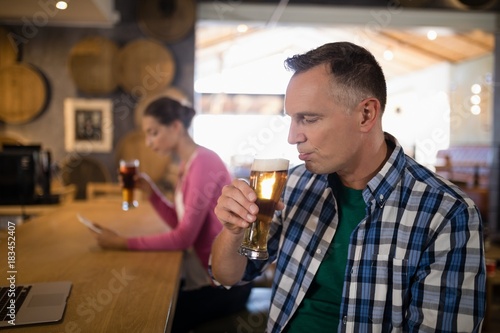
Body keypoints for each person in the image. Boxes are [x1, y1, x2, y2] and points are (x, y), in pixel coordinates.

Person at [210, 42, 486, 332]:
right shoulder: (294, 185)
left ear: (366, 114)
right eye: (291, 119)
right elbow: (226, 276)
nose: (293, 137)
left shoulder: (448, 214)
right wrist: (233, 230)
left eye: (309, 118)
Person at [91, 97, 252, 332]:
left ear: (176, 126)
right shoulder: (187, 165)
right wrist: (151, 192)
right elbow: (180, 224)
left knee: (147, 315)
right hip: (206, 275)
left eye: (153, 133)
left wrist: (120, 242)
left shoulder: (203, 162)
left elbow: (183, 238)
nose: (148, 142)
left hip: (225, 285)